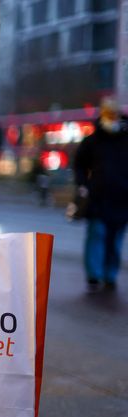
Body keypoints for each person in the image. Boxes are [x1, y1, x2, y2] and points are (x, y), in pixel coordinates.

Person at [74, 96, 128, 292]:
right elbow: (79, 164)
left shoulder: (123, 140)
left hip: (122, 199)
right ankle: (95, 276)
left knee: (115, 239)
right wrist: (83, 185)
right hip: (98, 197)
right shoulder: (92, 141)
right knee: (97, 235)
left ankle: (109, 275)